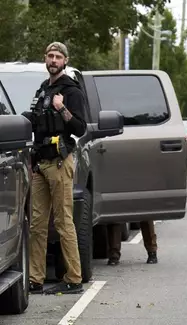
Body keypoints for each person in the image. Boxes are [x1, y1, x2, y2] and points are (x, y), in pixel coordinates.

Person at [25, 42, 87, 295]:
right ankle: (35, 279)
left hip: (61, 162)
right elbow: (32, 120)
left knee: (63, 223)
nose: (53, 60)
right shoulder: (42, 90)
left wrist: (62, 109)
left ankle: (73, 278)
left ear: (65, 61)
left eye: (58, 57)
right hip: (41, 164)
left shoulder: (71, 91)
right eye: (50, 56)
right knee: (37, 224)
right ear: (45, 59)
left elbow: (80, 128)